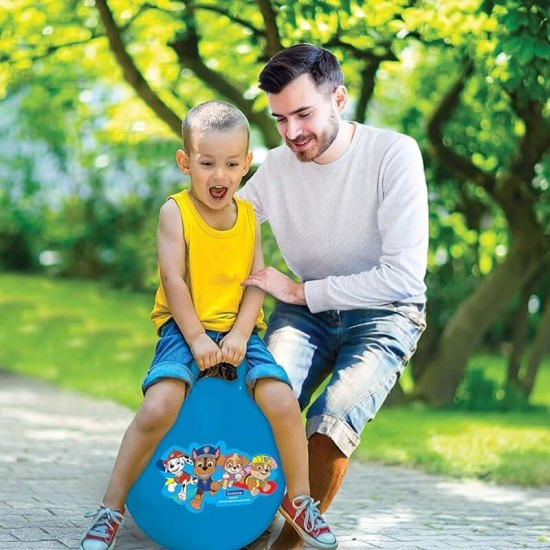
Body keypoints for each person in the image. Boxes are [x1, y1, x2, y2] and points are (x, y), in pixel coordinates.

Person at [80, 100, 337, 550]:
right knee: (160, 405)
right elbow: (172, 279)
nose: (220, 175)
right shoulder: (175, 213)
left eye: (231, 164)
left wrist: (240, 334)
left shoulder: (249, 219)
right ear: (186, 162)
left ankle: (298, 500)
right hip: (184, 330)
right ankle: (110, 509)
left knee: (281, 398)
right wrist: (197, 338)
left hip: (239, 331)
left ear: (246, 165)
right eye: (207, 163)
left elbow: (256, 281)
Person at [239, 43, 428, 549]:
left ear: (339, 98)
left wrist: (300, 289)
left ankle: (289, 543)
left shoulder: (393, 154)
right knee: (263, 401)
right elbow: (225, 227)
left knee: (332, 417)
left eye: (303, 113)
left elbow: (404, 277)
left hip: (386, 316)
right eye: (280, 120)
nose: (293, 133)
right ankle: (237, 522)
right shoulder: (278, 167)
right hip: (305, 317)